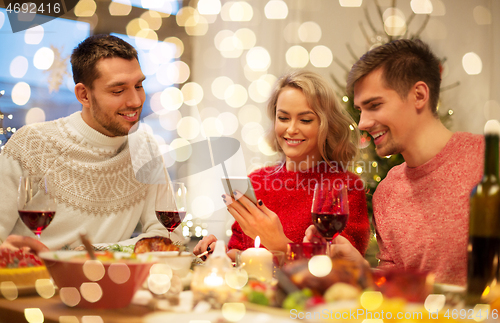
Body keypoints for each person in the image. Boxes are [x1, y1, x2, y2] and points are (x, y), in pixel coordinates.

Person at [305, 38, 482, 286]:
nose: (363, 123)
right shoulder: (387, 192)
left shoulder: (486, 161)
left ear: (419, 95)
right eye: (360, 110)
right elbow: (397, 286)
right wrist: (360, 269)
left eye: (374, 105)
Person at [0, 34, 181, 252]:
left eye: (139, 86)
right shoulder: (32, 144)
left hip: (112, 283)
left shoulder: (144, 147)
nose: (135, 101)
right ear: (84, 95)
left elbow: (169, 236)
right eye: (118, 90)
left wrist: (91, 253)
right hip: (34, 282)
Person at [195, 70, 371, 260]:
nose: (291, 129)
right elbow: (242, 253)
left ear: (326, 125)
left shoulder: (346, 186)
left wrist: (278, 243)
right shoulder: (257, 180)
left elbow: (342, 268)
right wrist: (221, 255)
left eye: (305, 120)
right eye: (283, 118)